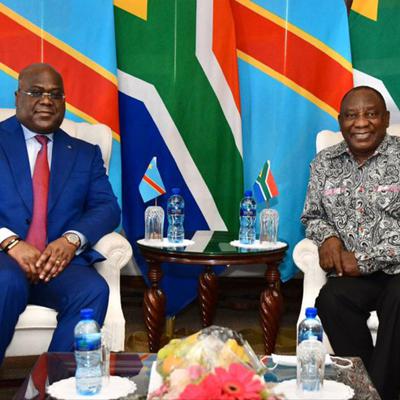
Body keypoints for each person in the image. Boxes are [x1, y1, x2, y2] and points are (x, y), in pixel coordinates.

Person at [0, 63, 120, 364]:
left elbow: (107, 207)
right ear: (18, 96)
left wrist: (71, 240)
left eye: (55, 95)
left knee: (93, 290)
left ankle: (51, 381)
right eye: (36, 92)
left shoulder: (84, 152)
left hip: (58, 265)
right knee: (6, 283)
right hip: (4, 260)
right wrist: (10, 242)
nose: (46, 101)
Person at [301, 85, 400, 400]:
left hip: (397, 270)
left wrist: (366, 260)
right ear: (341, 120)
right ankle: (366, 386)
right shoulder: (324, 163)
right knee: (331, 300)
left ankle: (379, 392)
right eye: (351, 115)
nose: (361, 123)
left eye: (371, 114)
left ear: (386, 119)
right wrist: (328, 237)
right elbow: (312, 216)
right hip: (351, 275)